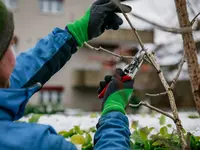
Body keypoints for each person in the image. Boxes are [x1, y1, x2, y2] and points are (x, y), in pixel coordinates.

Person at [0, 0, 134, 149]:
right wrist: (113, 110)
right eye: (11, 45)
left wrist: (76, 33)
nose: (14, 57)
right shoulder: (38, 144)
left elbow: (17, 77)